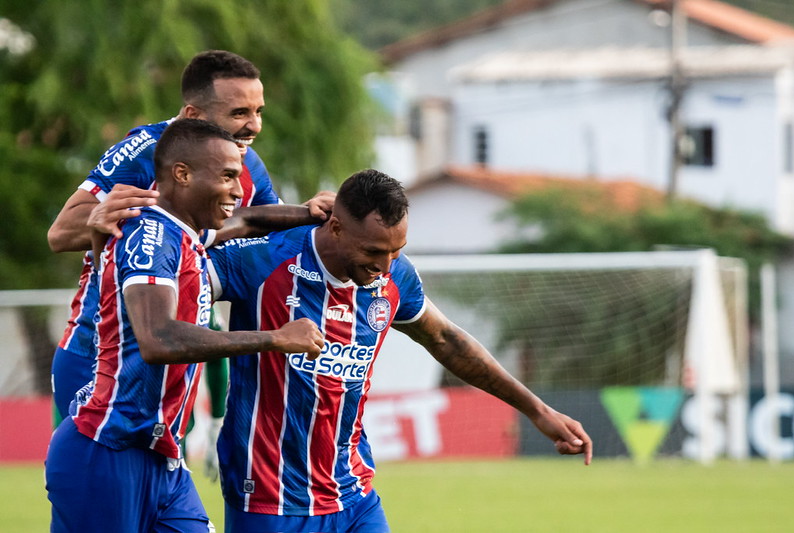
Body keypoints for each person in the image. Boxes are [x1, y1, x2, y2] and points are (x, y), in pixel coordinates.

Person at [206, 168, 592, 533]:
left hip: (352, 491)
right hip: (267, 496)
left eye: (396, 250)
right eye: (374, 251)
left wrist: (538, 411)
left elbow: (445, 340)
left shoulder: (394, 275)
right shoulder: (262, 259)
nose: (385, 264)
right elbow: (173, 280)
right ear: (336, 227)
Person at [45, 118, 325, 533]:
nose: (237, 189)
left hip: (161, 457)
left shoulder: (185, 232)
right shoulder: (151, 234)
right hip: (108, 452)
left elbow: (247, 221)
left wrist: (308, 213)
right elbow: (158, 339)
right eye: (228, 176)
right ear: (182, 173)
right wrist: (275, 338)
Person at [46, 49, 333, 440]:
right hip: (99, 354)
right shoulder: (149, 149)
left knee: (157, 488)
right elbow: (61, 233)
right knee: (93, 484)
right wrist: (104, 219)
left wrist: (315, 214)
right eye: (238, 113)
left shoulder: (246, 163)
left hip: (173, 354)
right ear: (194, 115)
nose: (254, 126)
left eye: (259, 111)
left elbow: (260, 227)